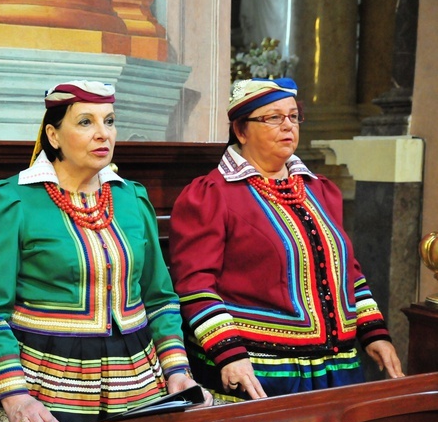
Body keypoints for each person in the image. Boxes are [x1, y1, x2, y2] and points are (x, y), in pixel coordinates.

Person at [0, 80, 211, 422]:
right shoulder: (12, 200)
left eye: (109, 121)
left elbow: (160, 299)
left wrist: (177, 370)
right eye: (86, 122)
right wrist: (15, 396)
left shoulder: (133, 198)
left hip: (140, 384)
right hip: (44, 389)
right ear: (53, 136)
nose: (103, 134)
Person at [168, 77, 404, 403]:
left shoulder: (319, 189)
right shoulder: (212, 195)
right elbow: (194, 286)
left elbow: (348, 273)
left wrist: (373, 333)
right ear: (240, 130)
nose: (288, 126)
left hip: (339, 369)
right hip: (260, 375)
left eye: (293, 116)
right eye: (274, 117)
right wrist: (228, 353)